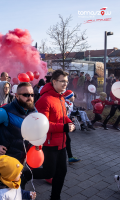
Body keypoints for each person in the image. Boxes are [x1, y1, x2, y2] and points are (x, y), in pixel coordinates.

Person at [21, 70, 75, 200]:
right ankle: (26, 175)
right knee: (49, 172)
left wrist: (70, 122)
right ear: (54, 81)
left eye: (66, 82)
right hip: (49, 144)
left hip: (61, 143)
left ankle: (55, 197)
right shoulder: (45, 99)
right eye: (62, 81)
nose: (65, 84)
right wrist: (64, 127)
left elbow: (63, 117)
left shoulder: (60, 97)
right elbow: (43, 124)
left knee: (62, 172)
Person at [0, 82, 37, 164]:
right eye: (26, 95)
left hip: (24, 156)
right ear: (17, 96)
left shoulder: (33, 109)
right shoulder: (6, 111)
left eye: (32, 95)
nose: (30, 97)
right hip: (8, 158)